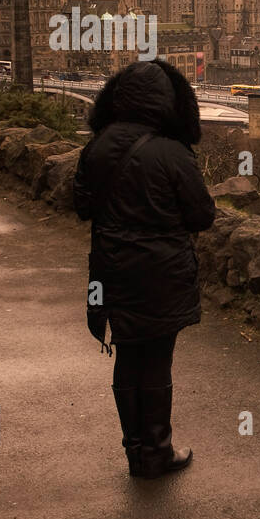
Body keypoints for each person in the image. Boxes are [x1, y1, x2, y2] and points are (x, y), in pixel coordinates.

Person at [74, 60, 216, 478]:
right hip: (160, 272)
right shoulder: (172, 152)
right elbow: (202, 215)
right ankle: (156, 452)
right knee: (156, 362)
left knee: (128, 358)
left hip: (111, 269)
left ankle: (135, 450)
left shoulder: (97, 146)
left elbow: (82, 206)